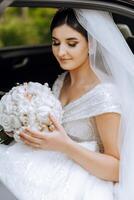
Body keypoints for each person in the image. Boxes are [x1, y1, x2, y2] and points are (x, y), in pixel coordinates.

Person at [0, 8, 134, 200]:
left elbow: (116, 169)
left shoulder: (105, 95)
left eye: (71, 44)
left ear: (91, 44)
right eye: (56, 43)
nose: (61, 52)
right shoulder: (62, 80)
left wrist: (66, 146)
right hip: (46, 159)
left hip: (79, 175)